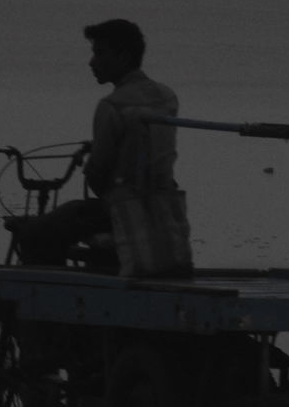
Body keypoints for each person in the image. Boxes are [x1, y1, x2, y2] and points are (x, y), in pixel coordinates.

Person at [11, 19, 181, 268]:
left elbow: (98, 176)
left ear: (122, 56)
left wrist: (92, 167)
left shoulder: (112, 105)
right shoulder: (167, 96)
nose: (92, 62)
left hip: (121, 209)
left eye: (99, 53)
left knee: (33, 233)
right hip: (162, 204)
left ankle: (54, 294)